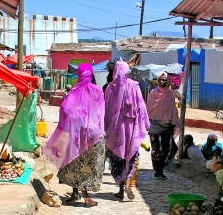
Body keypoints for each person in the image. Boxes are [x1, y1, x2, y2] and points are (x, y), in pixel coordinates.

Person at [43, 63, 105, 207]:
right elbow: (101, 112)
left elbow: (65, 110)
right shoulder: (97, 91)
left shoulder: (73, 92)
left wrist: (75, 120)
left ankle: (77, 193)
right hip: (93, 135)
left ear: (79, 74)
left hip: (76, 134)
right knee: (87, 165)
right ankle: (84, 196)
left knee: (75, 163)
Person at [104, 61, 150, 201]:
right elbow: (141, 106)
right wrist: (144, 123)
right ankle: (128, 185)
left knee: (117, 158)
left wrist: (105, 128)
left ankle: (121, 190)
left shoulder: (111, 88)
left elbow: (106, 110)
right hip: (131, 128)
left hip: (116, 130)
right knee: (131, 156)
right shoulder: (134, 86)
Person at [146, 72, 180, 180]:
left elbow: (172, 110)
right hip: (154, 126)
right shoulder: (153, 93)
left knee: (170, 149)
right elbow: (148, 109)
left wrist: (174, 123)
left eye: (164, 80)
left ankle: (160, 168)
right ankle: (158, 171)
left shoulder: (170, 95)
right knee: (156, 151)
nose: (161, 81)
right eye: (160, 79)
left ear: (168, 81)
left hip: (167, 126)